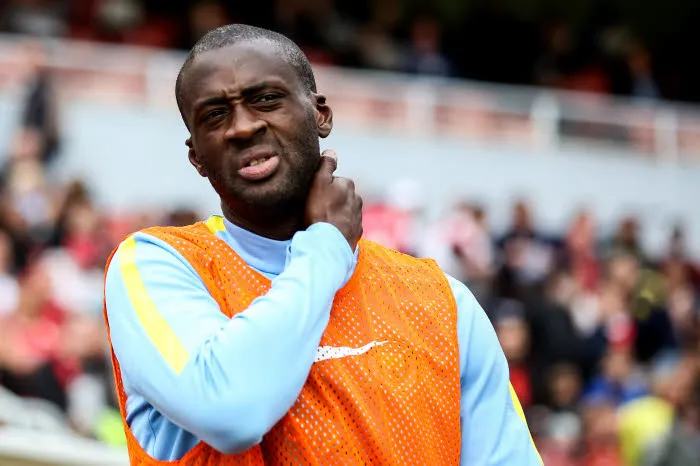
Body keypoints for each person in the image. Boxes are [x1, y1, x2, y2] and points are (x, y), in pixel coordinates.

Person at [103, 24, 542, 465]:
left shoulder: (443, 301)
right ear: (196, 156)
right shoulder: (156, 266)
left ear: (321, 115)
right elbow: (230, 411)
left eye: (266, 99)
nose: (243, 126)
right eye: (215, 115)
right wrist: (327, 244)